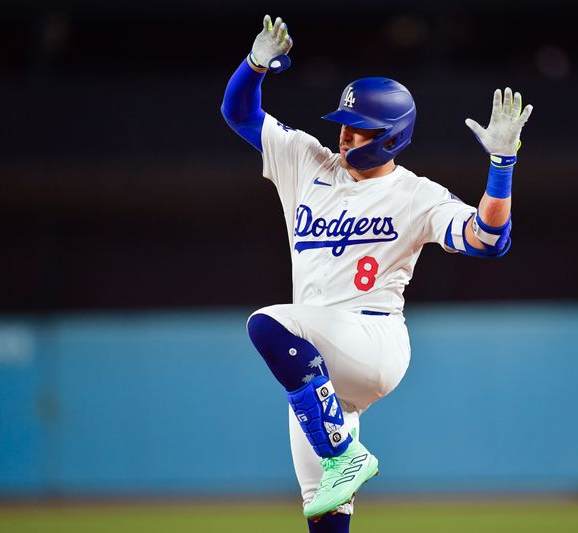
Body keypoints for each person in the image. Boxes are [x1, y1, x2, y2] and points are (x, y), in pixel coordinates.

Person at [221, 15, 533, 533]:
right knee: (323, 507)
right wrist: (254, 66)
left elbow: (487, 239)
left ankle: (345, 453)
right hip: (319, 363)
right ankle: (341, 457)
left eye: (358, 126)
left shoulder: (415, 193)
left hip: (371, 339)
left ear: (390, 136)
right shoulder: (308, 161)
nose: (343, 135)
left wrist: (501, 167)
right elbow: (238, 112)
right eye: (342, 123)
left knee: (266, 323)